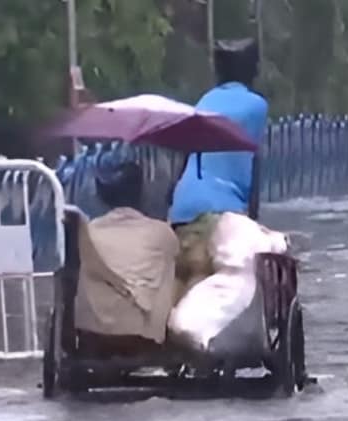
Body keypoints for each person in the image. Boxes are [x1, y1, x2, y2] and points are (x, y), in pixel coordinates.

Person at [166, 38, 270, 300]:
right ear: (251, 71)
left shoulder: (203, 102)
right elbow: (253, 164)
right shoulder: (257, 106)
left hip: (181, 210)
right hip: (221, 214)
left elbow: (186, 159)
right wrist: (252, 223)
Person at [73, 161, 180, 353]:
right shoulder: (161, 232)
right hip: (143, 336)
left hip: (93, 333)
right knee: (171, 263)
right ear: (141, 192)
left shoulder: (89, 232)